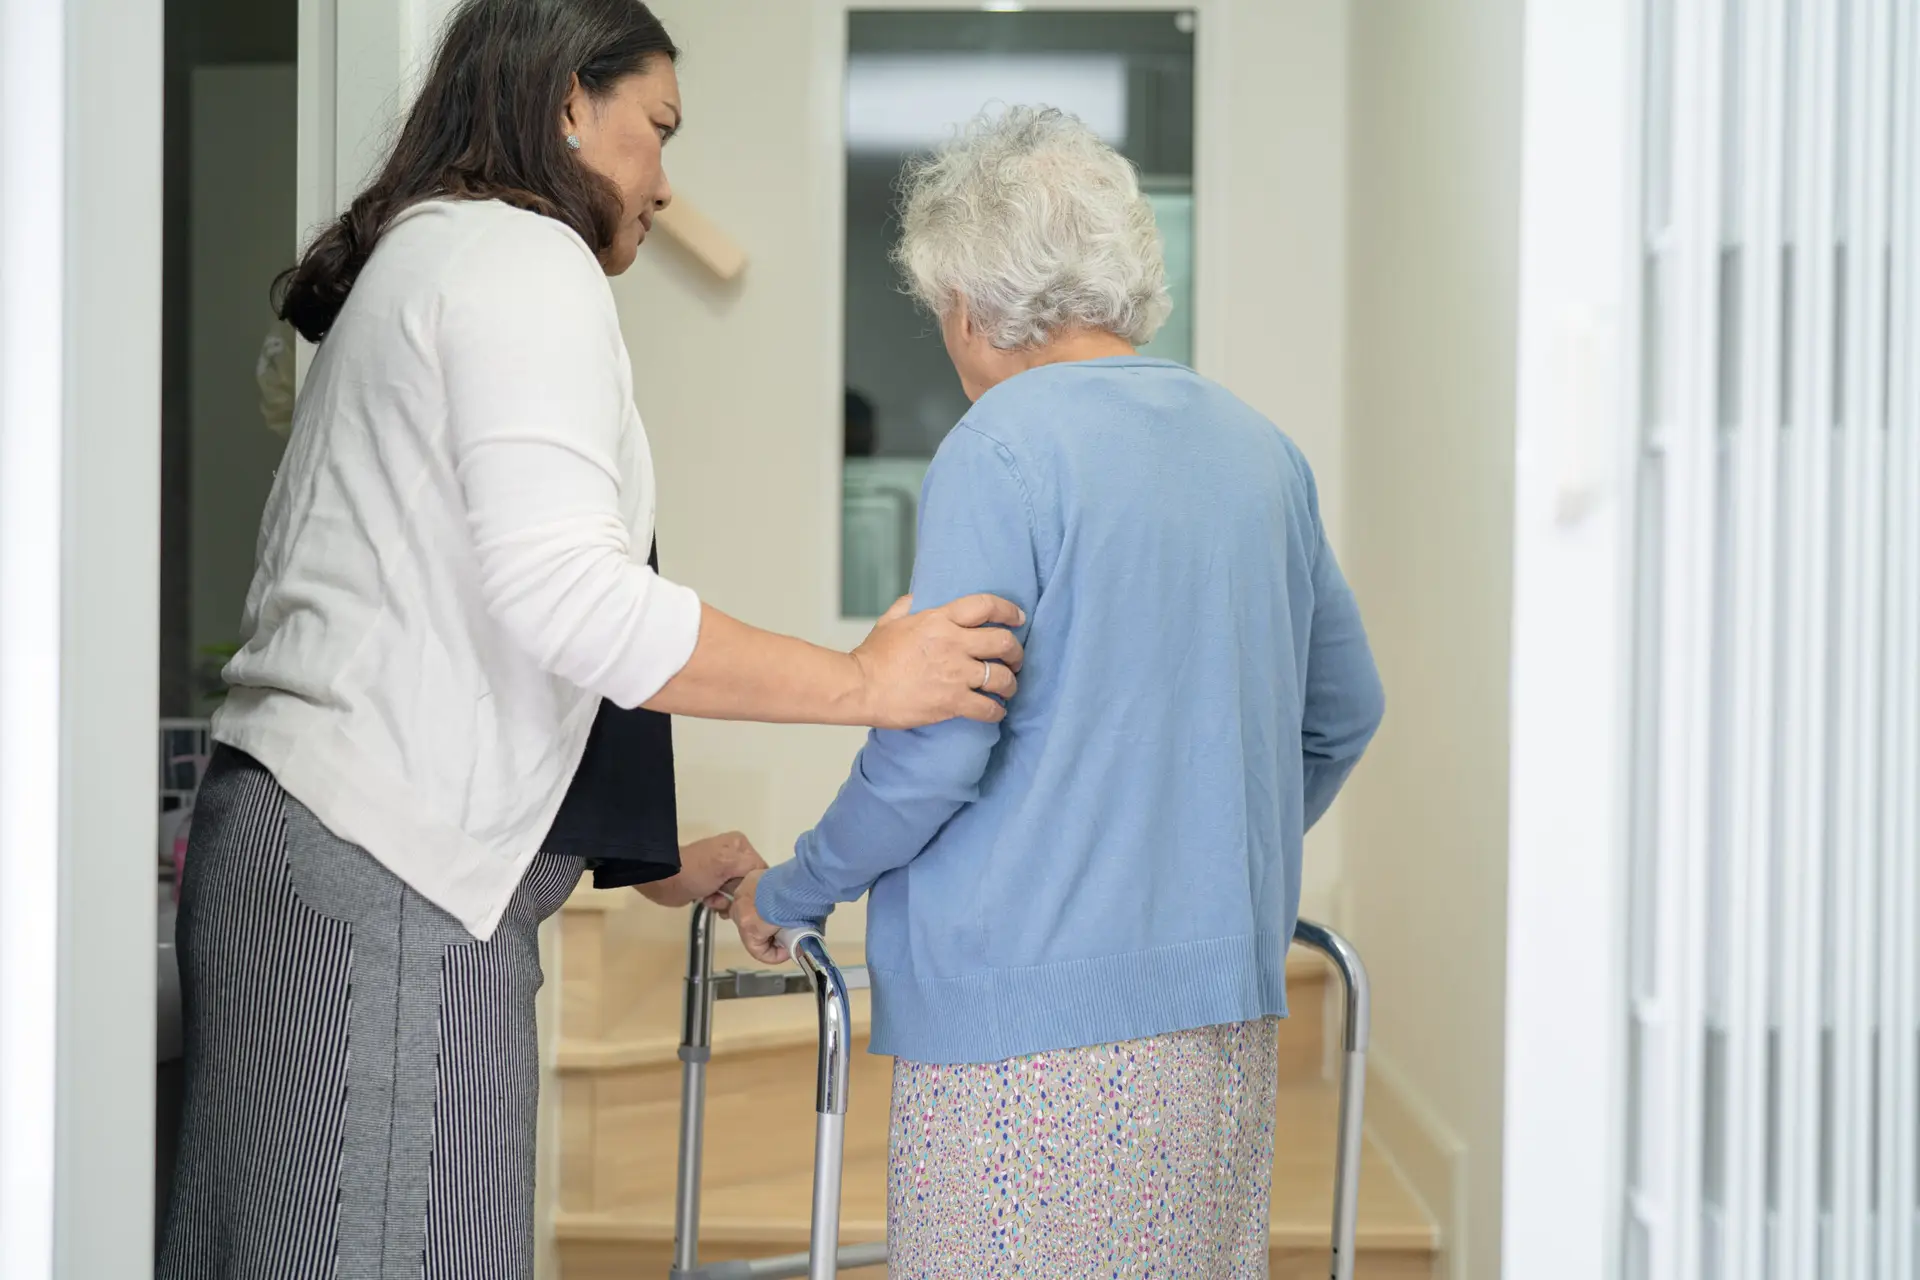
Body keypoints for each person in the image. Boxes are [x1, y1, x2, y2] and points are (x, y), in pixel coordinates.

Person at [156, 4, 1026, 1278]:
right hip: (380, 883)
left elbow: (458, 622)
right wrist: (863, 680)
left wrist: (637, 848)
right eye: (656, 131)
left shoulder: (437, 254)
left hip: (313, 854)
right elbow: (570, 596)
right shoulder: (519, 257)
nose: (665, 186)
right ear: (570, 105)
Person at [731, 106, 1384, 1279]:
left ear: (972, 305)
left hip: (1026, 1039)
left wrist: (796, 884)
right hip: (1224, 1019)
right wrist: (1197, 847)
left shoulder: (1005, 444)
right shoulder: (1260, 450)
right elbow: (1346, 710)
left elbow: (934, 746)